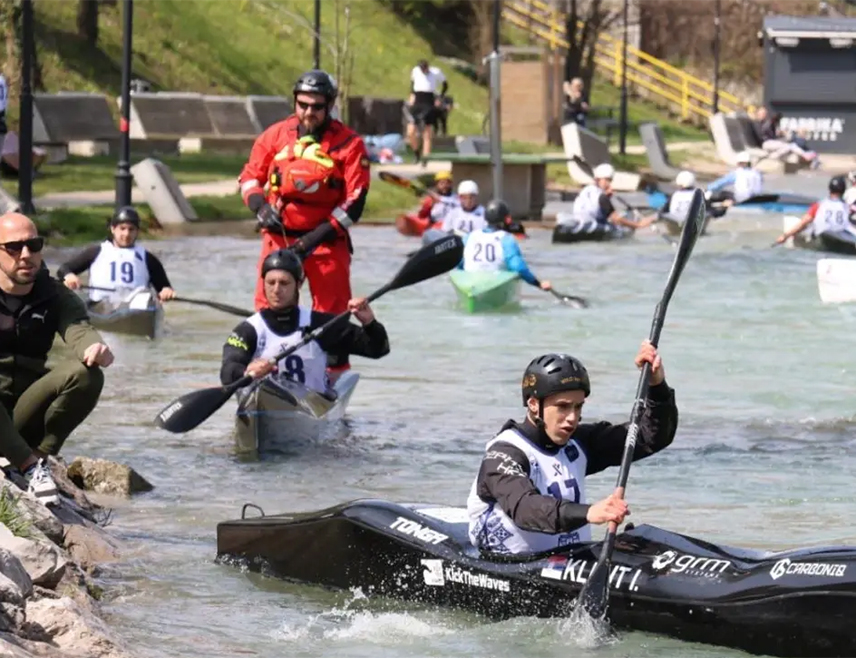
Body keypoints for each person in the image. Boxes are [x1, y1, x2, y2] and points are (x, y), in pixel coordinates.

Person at [467, 343, 678, 554]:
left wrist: (656, 386)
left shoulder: (578, 442)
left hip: (570, 559)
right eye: (563, 406)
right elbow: (525, 508)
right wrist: (590, 513)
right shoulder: (504, 455)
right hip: (508, 563)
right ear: (533, 404)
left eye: (578, 406)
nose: (572, 417)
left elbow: (649, 437)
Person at [238, 69, 370, 378]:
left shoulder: (350, 145)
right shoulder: (275, 135)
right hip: (279, 239)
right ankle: (264, 370)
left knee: (332, 313)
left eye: (317, 106)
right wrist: (260, 207)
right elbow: (249, 177)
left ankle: (333, 375)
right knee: (269, 305)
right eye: (303, 105)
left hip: (326, 242)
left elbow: (355, 203)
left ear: (330, 106)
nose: (309, 112)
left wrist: (312, 240)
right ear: (295, 102)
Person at [0, 212, 114, 506]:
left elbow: (79, 329)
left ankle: (37, 460)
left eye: (34, 245)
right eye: (13, 247)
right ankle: (28, 466)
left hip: (21, 415)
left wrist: (95, 347)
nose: (26, 255)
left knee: (87, 374)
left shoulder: (53, 294)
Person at [220, 250, 389, 393]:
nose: (276, 290)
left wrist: (369, 323)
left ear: (299, 284)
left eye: (284, 283)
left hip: (311, 406)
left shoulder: (320, 324)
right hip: (263, 401)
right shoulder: (249, 330)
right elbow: (227, 372)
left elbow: (378, 349)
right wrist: (246, 371)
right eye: (271, 282)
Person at [57, 206, 176, 304]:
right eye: (122, 228)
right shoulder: (96, 252)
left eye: (131, 229)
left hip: (136, 308)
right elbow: (63, 269)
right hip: (101, 306)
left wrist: (166, 291)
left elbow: (164, 287)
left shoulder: (148, 258)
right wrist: (69, 276)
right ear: (113, 229)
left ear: (137, 231)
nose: (126, 234)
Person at [460, 200, 550, 292]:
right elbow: (518, 268)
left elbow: (459, 264)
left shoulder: (468, 237)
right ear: (504, 220)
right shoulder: (506, 239)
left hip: (470, 285)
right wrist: (538, 284)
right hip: (494, 285)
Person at [561, 164, 655, 231]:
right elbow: (616, 219)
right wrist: (638, 225)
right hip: (590, 225)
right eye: (606, 180)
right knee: (619, 219)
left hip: (580, 221)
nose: (609, 184)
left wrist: (607, 197)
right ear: (598, 180)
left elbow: (594, 204)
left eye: (610, 180)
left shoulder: (586, 190)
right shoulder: (602, 198)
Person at [776, 176, 854, 245]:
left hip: (823, 232)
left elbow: (803, 222)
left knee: (810, 225)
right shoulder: (848, 207)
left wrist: (785, 236)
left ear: (829, 189)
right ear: (843, 190)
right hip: (843, 236)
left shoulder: (819, 205)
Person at [406, 59, 447, 163]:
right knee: (411, 131)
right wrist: (412, 96)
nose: (424, 70)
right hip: (417, 100)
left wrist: (440, 98)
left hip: (428, 101)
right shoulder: (415, 71)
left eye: (425, 68)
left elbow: (445, 85)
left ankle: (425, 158)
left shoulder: (435, 72)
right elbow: (412, 85)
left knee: (427, 132)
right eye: (422, 69)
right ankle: (416, 153)